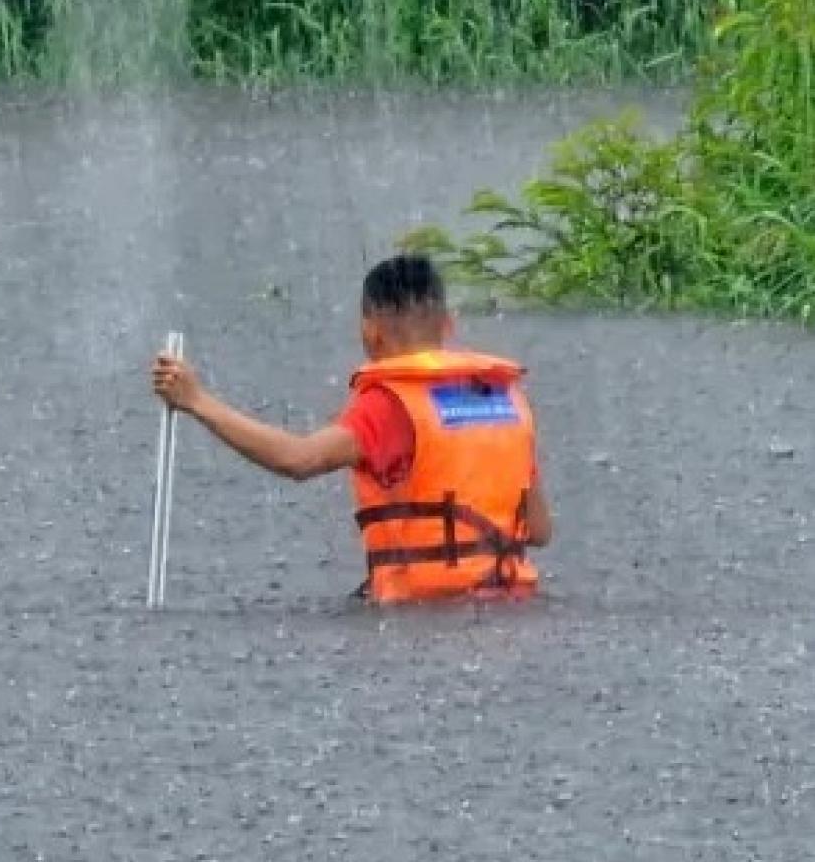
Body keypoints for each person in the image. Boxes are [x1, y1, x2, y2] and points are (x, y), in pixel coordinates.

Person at [149, 254, 553, 603]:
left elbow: (299, 459)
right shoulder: (504, 399)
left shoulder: (389, 405)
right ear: (447, 324)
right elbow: (538, 531)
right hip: (512, 607)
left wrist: (196, 401)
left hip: (425, 615)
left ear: (370, 330)